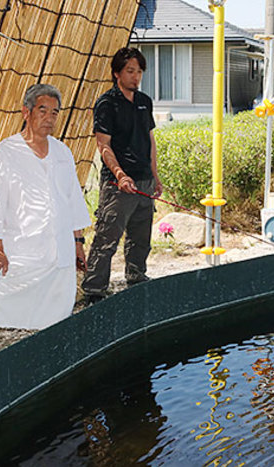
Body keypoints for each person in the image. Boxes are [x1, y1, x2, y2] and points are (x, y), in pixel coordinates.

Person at [0, 84, 91, 376]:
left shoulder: (62, 153)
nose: (49, 117)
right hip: (22, 247)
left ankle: (54, 361)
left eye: (55, 112)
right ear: (26, 112)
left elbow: (72, 199)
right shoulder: (6, 152)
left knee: (59, 307)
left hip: (58, 247)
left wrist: (78, 242)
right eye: (42, 110)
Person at [81, 47, 163, 304]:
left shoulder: (144, 101)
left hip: (144, 182)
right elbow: (103, 145)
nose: (135, 76)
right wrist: (120, 174)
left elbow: (150, 140)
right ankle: (94, 290)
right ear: (117, 73)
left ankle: (136, 277)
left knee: (141, 237)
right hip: (118, 185)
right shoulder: (107, 103)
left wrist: (155, 176)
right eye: (130, 71)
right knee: (107, 237)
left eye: (139, 71)